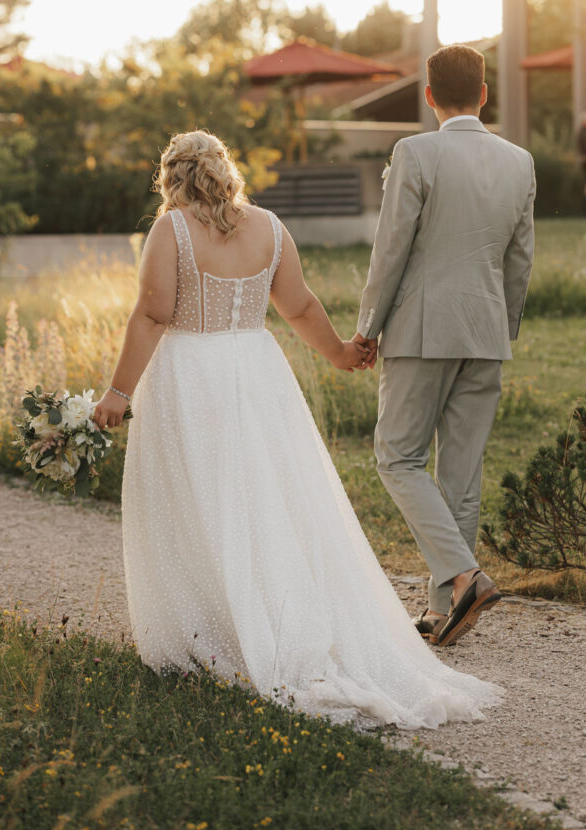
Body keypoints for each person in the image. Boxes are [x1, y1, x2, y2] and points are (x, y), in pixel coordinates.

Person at [93, 129, 502, 730]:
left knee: (201, 502)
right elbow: (301, 306)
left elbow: (154, 314)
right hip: (258, 373)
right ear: (225, 170)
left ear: (171, 177)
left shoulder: (171, 229)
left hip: (193, 374)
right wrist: (339, 353)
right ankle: (275, 616)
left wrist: (119, 392)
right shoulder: (268, 226)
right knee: (268, 501)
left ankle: (219, 631)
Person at [353, 45, 535, 649]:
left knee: (397, 457)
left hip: (422, 329)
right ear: (485, 94)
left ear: (429, 96)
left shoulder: (415, 151)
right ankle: (445, 610)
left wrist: (368, 327)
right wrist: (500, 329)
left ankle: (464, 578)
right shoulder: (520, 162)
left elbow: (391, 248)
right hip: (486, 333)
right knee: (461, 475)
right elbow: (519, 260)